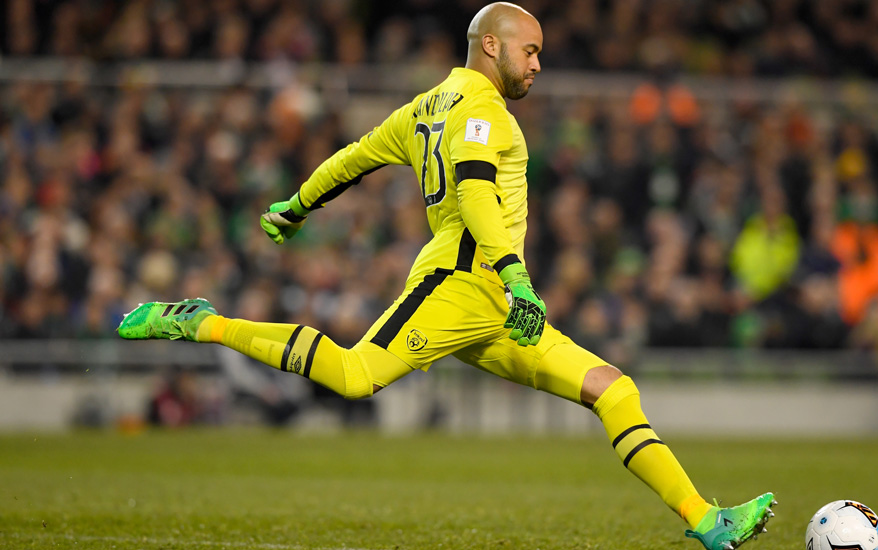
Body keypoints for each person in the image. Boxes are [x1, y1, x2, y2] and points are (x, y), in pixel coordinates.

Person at [117, 3, 774, 549]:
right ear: (492, 45)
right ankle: (204, 323)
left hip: (493, 300)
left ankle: (704, 522)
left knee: (613, 389)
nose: (539, 66)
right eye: (532, 52)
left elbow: (353, 157)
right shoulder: (483, 106)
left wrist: (297, 206)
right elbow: (477, 191)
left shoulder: (425, 107)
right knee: (355, 376)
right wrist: (516, 275)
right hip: (461, 283)